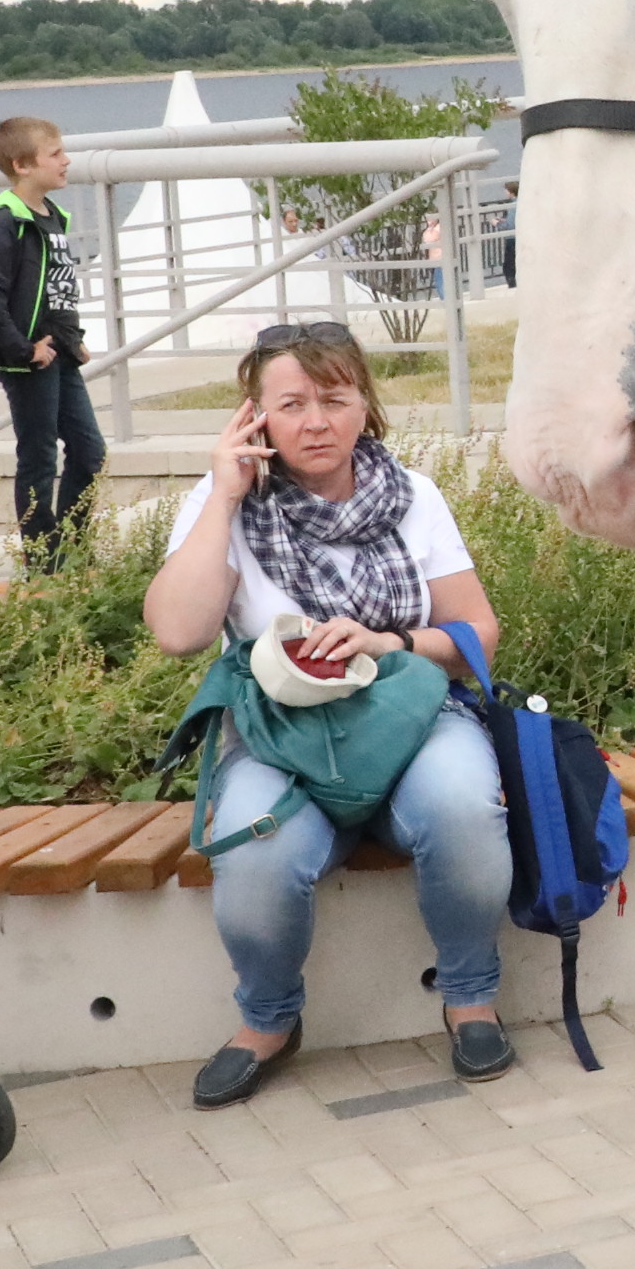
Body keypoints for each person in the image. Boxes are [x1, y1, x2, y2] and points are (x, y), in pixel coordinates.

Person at [142, 324, 513, 1106]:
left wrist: (392, 640)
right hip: (280, 732)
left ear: (364, 407)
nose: (316, 420)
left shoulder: (413, 497)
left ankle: (470, 997)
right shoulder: (223, 507)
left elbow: (478, 630)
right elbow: (178, 633)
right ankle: (270, 1020)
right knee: (255, 853)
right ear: (256, 419)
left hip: (409, 714)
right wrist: (223, 497)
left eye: (335, 399)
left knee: (463, 808)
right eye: (292, 403)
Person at [0, 116, 104, 547]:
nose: (66, 161)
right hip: (28, 360)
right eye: (55, 154)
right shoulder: (6, 221)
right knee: (39, 456)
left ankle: (71, 542)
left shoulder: (52, 217)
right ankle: (44, 556)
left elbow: (56, 292)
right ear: (22, 165)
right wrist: (22, 348)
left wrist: (73, 338)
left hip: (59, 355)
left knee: (90, 452)